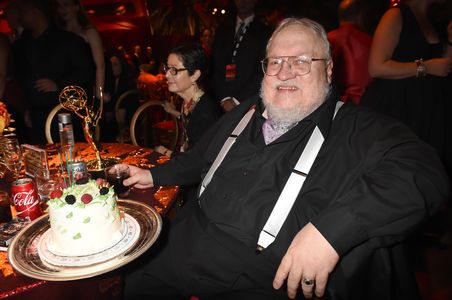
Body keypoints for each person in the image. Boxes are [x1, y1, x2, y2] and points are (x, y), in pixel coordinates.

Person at [123, 18, 449, 299]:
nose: (285, 72)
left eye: (302, 61)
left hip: (262, 278)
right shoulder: (247, 110)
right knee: (119, 284)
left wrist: (331, 231)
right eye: (275, 62)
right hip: (185, 241)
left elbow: (425, 170)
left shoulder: (356, 129)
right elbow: (200, 157)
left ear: (330, 69)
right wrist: (153, 175)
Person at [360, 0, 452, 173]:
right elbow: (376, 67)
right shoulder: (396, 15)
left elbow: (443, 66)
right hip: (398, 105)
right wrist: (426, 67)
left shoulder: (435, 19)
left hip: (428, 107)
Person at [13, 0, 94, 144]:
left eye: (23, 11)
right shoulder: (23, 44)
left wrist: (58, 84)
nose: (20, 16)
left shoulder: (68, 40)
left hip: (64, 113)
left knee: (68, 157)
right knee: (41, 158)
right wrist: (27, 107)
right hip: (36, 117)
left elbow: (86, 72)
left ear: (35, 11)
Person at [155, 42, 222, 158]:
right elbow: (191, 120)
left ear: (194, 75)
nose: (167, 75)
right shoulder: (190, 102)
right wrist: (174, 112)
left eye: (174, 70)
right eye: (167, 68)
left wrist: (166, 152)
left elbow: (195, 162)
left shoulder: (205, 112)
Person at [210, 0, 271, 112]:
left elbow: (262, 70)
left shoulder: (264, 32)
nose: (243, 2)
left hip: (249, 103)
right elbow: (215, 66)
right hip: (220, 103)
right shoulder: (223, 30)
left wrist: (237, 101)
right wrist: (224, 98)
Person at [54, 0, 105, 100]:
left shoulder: (89, 32)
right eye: (59, 6)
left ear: (76, 7)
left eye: (66, 4)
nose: (62, 9)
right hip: (63, 89)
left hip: (86, 90)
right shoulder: (57, 34)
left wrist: (99, 93)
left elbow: (100, 65)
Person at [327, 0, 372, 104]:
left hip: (334, 105)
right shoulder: (370, 41)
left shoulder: (326, 40)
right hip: (366, 104)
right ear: (360, 16)